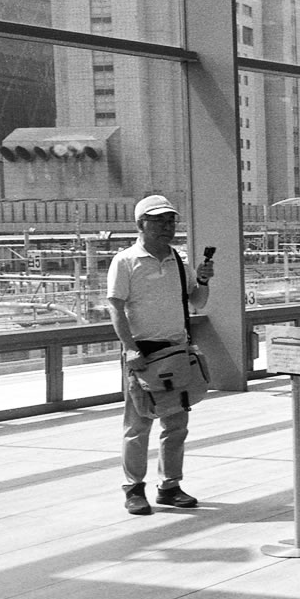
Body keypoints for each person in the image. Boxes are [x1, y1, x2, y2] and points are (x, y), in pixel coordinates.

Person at [107, 194, 215, 515]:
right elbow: (115, 305)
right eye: (159, 221)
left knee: (176, 423)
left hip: (176, 349)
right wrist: (128, 348)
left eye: (171, 221)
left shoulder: (179, 261)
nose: (167, 227)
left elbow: (198, 302)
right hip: (142, 353)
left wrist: (205, 279)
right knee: (138, 424)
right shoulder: (125, 261)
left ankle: (170, 485)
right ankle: (133, 488)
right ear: (141, 224)